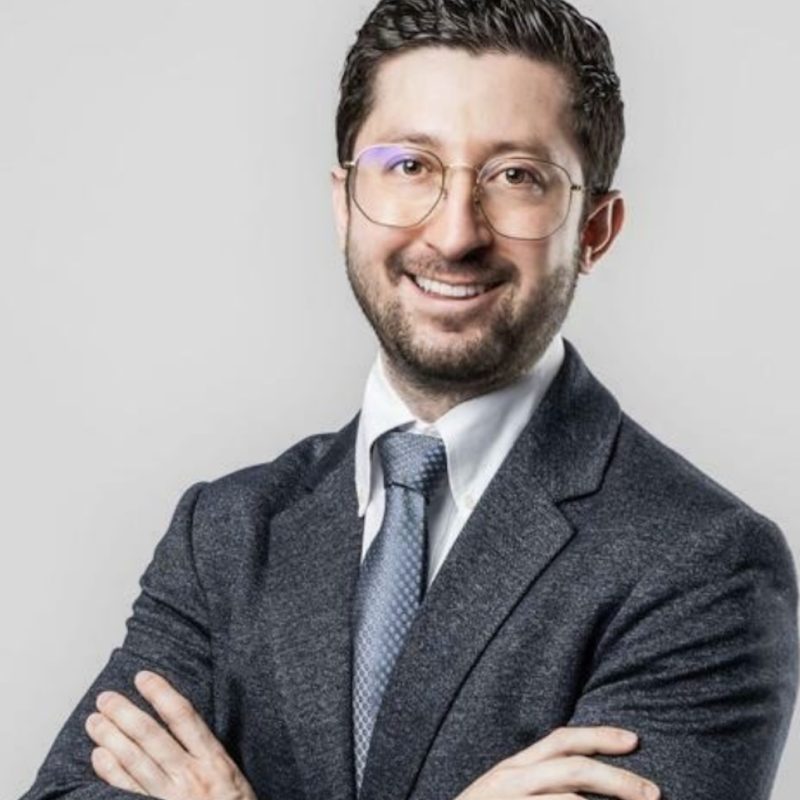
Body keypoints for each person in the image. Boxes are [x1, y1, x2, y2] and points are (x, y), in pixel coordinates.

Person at [21, 1, 798, 799]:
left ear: (595, 228)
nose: (454, 234)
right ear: (344, 202)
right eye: (409, 166)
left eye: (517, 177)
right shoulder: (223, 534)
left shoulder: (703, 563)